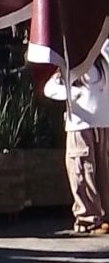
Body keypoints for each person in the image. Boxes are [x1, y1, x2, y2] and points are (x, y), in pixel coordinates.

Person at [46, 41, 109, 234]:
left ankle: (104, 215)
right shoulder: (72, 63)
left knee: (104, 171)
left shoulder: (103, 61)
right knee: (84, 168)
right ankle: (87, 218)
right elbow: (50, 88)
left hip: (103, 122)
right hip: (80, 124)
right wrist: (73, 93)